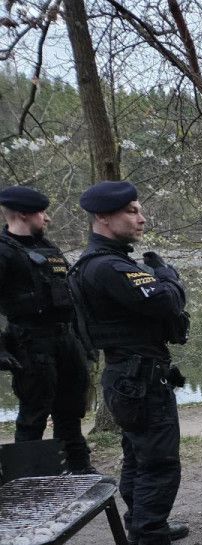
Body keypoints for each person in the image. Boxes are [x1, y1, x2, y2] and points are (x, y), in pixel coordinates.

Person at [70, 180, 202, 545]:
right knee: (159, 462)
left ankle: (142, 526)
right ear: (103, 217)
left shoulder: (102, 263)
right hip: (139, 376)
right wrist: (169, 276)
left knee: (137, 454)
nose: (141, 218)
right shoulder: (109, 266)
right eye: (132, 211)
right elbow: (166, 301)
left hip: (129, 373)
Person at [0, 185, 94, 474]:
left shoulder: (48, 248)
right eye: (42, 212)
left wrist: (83, 339)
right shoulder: (3, 251)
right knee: (34, 411)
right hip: (30, 341)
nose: (47, 218)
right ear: (24, 214)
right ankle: (27, 477)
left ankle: (78, 468)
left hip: (65, 338)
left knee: (70, 407)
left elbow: (69, 292)